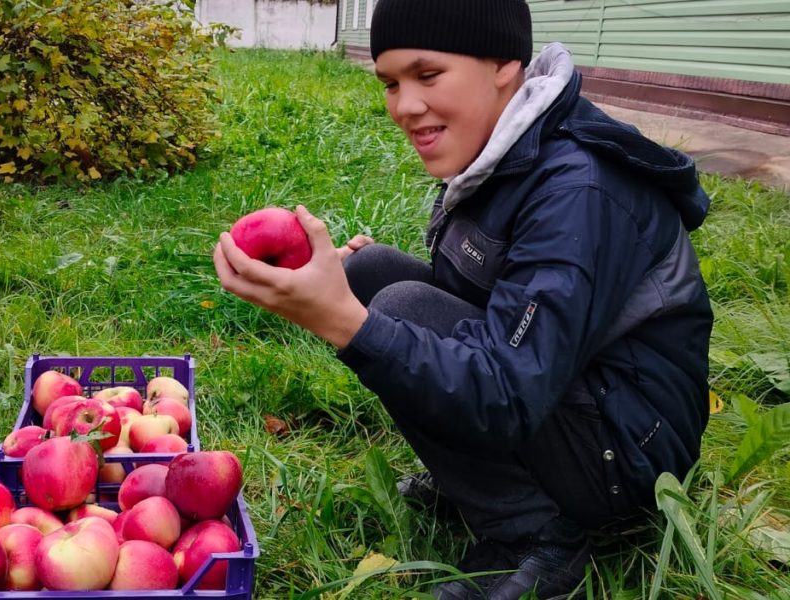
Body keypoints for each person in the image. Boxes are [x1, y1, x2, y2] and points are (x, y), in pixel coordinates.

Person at [213, 0, 714, 597]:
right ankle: (488, 485)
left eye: (427, 76)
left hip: (629, 453)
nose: (404, 106)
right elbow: (498, 299)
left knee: (392, 311)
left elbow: (508, 388)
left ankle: (536, 542)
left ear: (505, 64)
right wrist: (343, 287)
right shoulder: (507, 143)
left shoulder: (579, 188)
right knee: (372, 273)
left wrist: (343, 321)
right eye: (391, 83)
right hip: (577, 392)